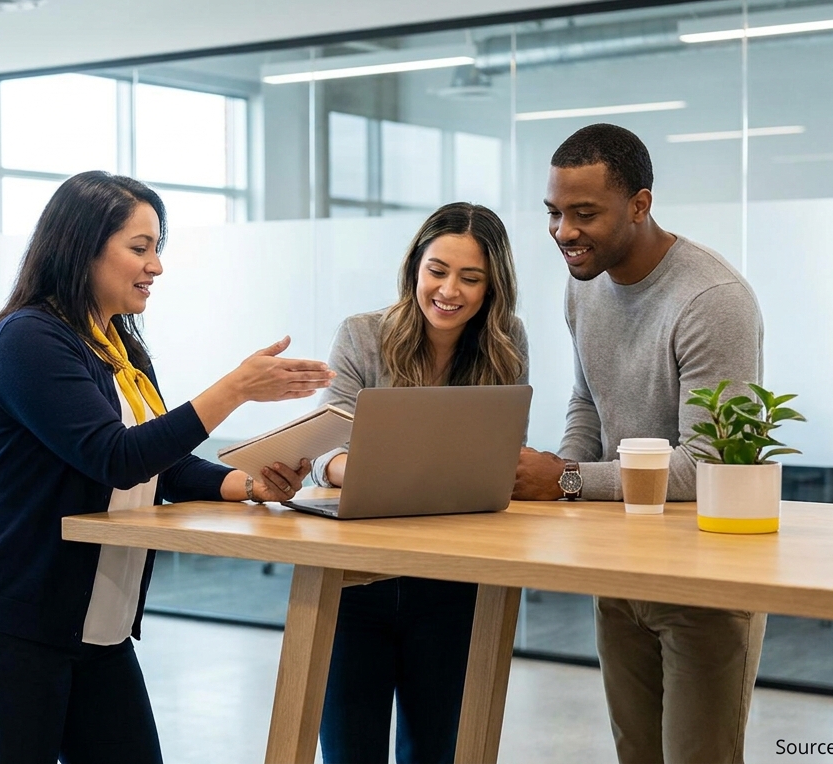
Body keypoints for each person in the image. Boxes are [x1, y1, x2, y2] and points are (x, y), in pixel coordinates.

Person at [0, 170, 333, 764]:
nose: (156, 266)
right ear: (80, 248)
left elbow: (158, 466)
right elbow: (115, 457)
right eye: (140, 248)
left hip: (95, 627)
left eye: (157, 249)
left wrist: (249, 485)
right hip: (4, 623)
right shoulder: (27, 340)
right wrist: (235, 389)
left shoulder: (118, 346)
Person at [513, 123, 765, 764]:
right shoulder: (584, 283)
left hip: (702, 585)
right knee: (637, 754)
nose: (563, 232)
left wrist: (566, 482)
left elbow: (707, 466)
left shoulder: (712, 300)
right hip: (619, 567)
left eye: (584, 214)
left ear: (640, 205)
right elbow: (587, 402)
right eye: (554, 212)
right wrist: (561, 470)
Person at [311, 202, 529, 764]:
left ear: (491, 288)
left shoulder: (507, 344)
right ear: (415, 268)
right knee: (348, 751)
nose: (449, 290)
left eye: (470, 277)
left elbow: (499, 454)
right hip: (356, 580)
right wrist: (358, 468)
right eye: (437, 270)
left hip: (454, 579)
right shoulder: (362, 336)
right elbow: (323, 447)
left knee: (439, 751)